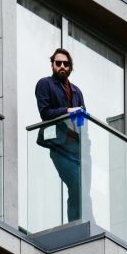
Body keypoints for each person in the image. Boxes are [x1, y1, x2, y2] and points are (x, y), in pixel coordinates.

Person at [35, 48, 88, 224]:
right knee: (76, 187)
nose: (62, 66)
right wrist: (67, 111)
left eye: (66, 64)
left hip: (78, 148)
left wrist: (87, 146)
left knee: (84, 192)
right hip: (60, 146)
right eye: (58, 63)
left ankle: (87, 224)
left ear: (70, 67)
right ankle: (76, 226)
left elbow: (83, 122)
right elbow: (45, 113)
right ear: (52, 65)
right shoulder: (45, 84)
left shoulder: (76, 91)